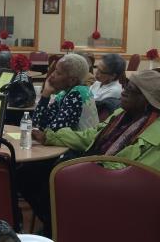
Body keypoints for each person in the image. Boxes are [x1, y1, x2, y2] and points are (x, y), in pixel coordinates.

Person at [20, 70, 160, 237]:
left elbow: (141, 176)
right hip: (94, 166)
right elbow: (91, 137)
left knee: (55, 181)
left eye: (129, 90)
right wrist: (50, 136)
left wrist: (90, 168)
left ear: (146, 100)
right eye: (125, 87)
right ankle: (56, 224)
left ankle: (62, 227)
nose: (122, 92)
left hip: (117, 188)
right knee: (27, 174)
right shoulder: (121, 115)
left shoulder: (156, 133)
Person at [32, 53, 99, 131]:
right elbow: (38, 125)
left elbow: (54, 131)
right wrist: (45, 94)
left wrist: (42, 129)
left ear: (72, 80)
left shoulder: (77, 94)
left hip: (81, 143)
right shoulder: (64, 93)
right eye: (54, 70)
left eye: (58, 73)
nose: (52, 75)